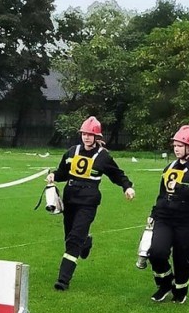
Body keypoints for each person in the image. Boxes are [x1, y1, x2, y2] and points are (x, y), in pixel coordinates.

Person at [46, 116, 135, 290]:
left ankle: (63, 280)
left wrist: (127, 187)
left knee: (73, 240)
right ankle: (85, 241)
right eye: (84, 134)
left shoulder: (103, 156)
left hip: (88, 201)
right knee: (70, 237)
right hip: (70, 198)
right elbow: (63, 173)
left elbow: (117, 174)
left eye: (90, 134)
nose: (86, 137)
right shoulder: (72, 151)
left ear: (96, 137)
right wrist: (54, 176)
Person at [148, 125, 189, 304]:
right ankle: (165, 284)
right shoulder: (170, 167)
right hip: (165, 218)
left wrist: (182, 188)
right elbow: (162, 194)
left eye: (180, 145)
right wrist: (154, 213)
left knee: (181, 258)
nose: (176, 148)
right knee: (156, 252)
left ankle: (180, 290)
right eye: (174, 145)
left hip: (188, 221)